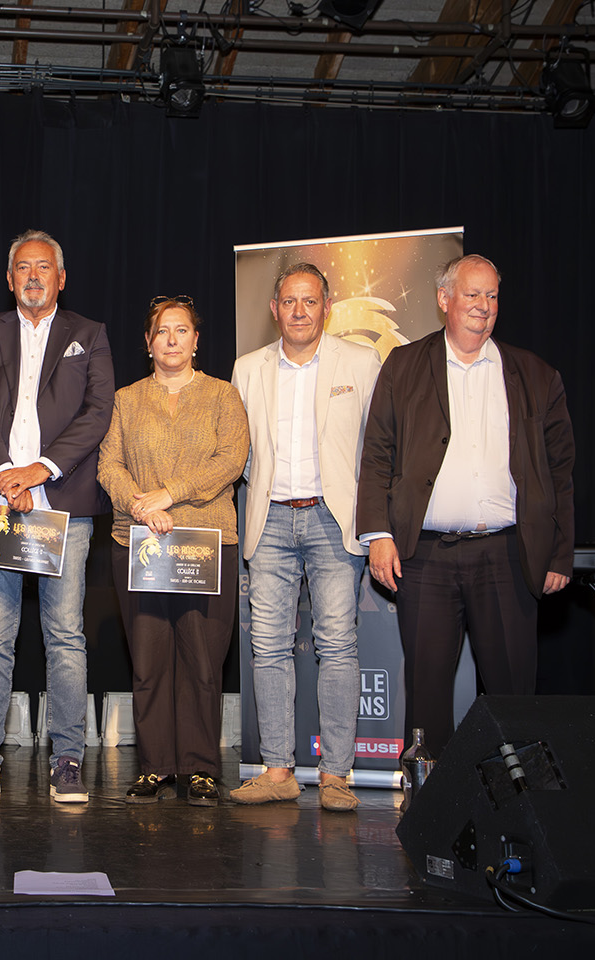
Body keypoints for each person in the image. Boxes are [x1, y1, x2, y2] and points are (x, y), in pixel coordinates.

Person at [356, 254, 575, 752]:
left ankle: (521, 807)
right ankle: (430, 813)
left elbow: (560, 472)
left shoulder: (536, 375)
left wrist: (560, 553)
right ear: (444, 299)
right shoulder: (405, 365)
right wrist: (379, 535)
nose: (483, 306)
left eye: (492, 295)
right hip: (425, 557)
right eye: (472, 294)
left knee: (514, 691)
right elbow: (376, 455)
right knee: (428, 693)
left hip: (507, 555)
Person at [0, 229, 115, 804]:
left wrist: (39, 470)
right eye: (23, 267)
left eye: (44, 267)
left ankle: (67, 759)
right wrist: (2, 474)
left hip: (61, 501)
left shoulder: (88, 335)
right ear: (10, 277)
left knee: (65, 637)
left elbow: (98, 414)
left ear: (61, 278)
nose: (34, 276)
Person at [230, 264, 381, 811]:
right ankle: (278, 771)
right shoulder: (247, 369)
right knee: (267, 647)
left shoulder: (361, 363)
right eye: (289, 301)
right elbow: (236, 452)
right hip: (268, 520)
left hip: (332, 518)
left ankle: (337, 774)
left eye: (310, 301)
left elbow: (377, 448)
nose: (299, 311)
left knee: (336, 644)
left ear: (327, 307)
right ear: (274, 309)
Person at [96, 297, 248, 806]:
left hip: (206, 543)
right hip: (140, 542)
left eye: (182, 331)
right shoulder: (126, 399)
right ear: (148, 342)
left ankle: (201, 768)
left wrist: (170, 493)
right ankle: (156, 766)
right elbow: (108, 465)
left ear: (196, 340)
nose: (172, 340)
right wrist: (142, 507)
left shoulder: (224, 395)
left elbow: (232, 459)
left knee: (204, 659)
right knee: (149, 657)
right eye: (163, 331)